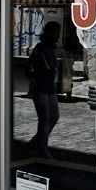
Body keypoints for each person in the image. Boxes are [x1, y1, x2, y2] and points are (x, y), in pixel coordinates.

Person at [27, 21, 62, 159]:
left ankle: (37, 141)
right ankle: (42, 149)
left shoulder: (52, 48)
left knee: (54, 116)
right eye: (56, 33)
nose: (58, 36)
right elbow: (30, 67)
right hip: (41, 88)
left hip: (50, 88)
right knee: (45, 120)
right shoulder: (40, 48)